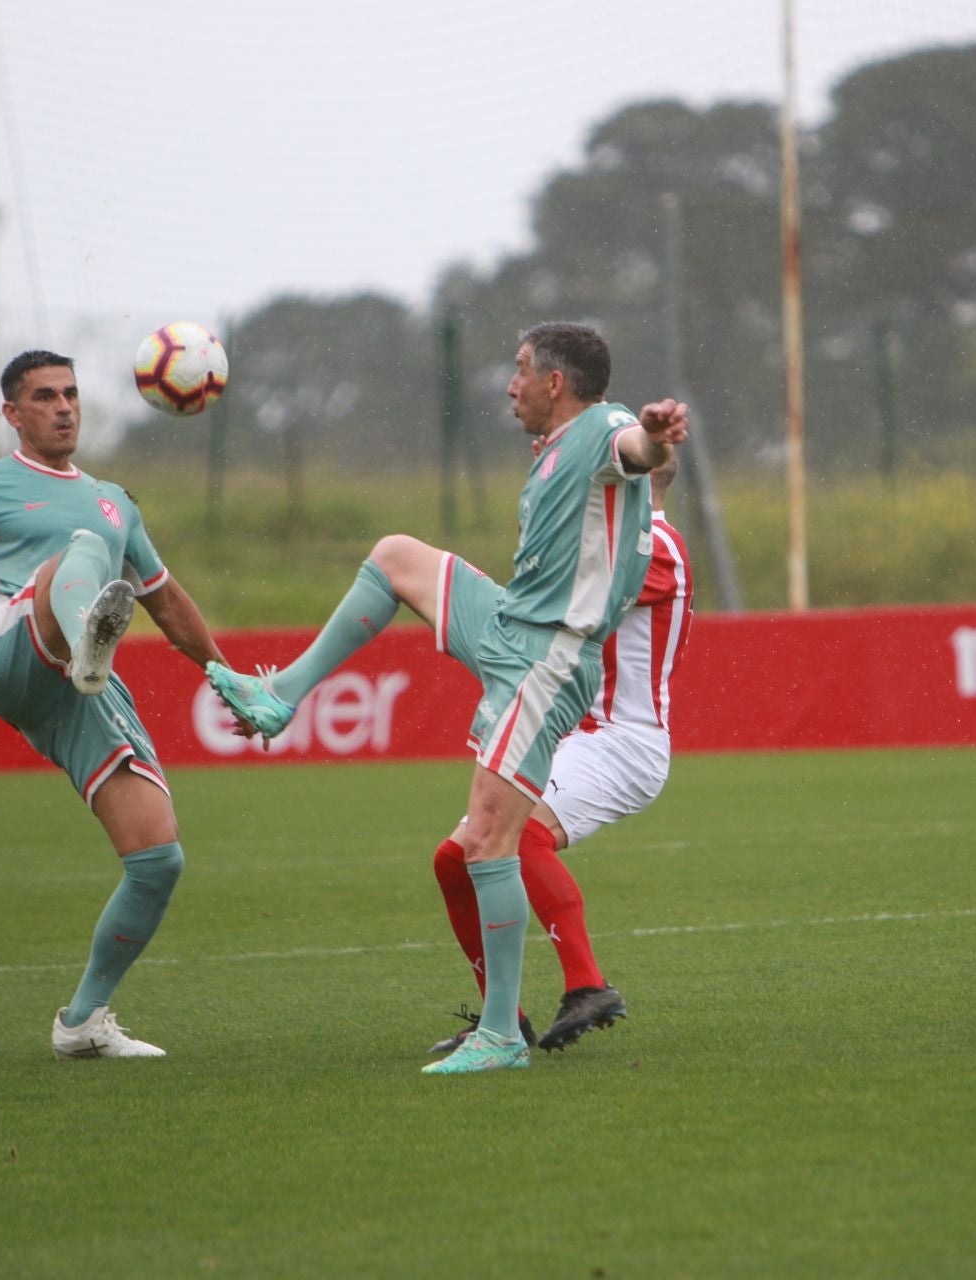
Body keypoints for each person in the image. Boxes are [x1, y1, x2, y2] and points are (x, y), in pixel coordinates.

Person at [206, 321, 687, 1075]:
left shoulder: (605, 427)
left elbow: (638, 452)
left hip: (548, 660)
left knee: (488, 841)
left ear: (555, 383)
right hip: (510, 625)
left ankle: (501, 1035)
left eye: (521, 369)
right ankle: (281, 696)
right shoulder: (558, 449)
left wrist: (655, 441)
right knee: (396, 555)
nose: (509, 383)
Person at [0, 349, 233, 1060]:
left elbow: (167, 601)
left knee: (159, 858)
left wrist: (226, 677)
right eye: (45, 396)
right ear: (12, 413)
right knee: (78, 556)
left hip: (79, 687)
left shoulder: (115, 498)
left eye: (71, 394)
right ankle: (86, 635)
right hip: (10, 649)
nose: (63, 407)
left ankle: (82, 1020)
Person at [428, 456, 694, 1057]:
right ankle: (505, 1018)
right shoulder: (623, 542)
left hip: (623, 743)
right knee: (455, 860)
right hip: (580, 736)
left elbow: (561, 600)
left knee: (516, 838)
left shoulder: (656, 546)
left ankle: (587, 984)